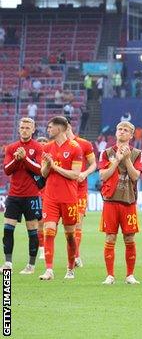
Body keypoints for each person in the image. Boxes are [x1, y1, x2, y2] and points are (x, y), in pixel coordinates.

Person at [98, 121, 142, 285]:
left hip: (128, 201)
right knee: (110, 238)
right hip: (110, 201)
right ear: (115, 132)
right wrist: (117, 160)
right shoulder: (106, 153)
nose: (122, 132)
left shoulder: (137, 153)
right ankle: (110, 275)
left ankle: (130, 275)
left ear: (131, 135)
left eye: (126, 130)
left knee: (129, 238)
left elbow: (135, 176)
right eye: (119, 129)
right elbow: (103, 176)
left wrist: (127, 159)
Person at [39, 116, 83, 280]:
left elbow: (75, 174)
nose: (48, 129)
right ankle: (49, 270)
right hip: (50, 197)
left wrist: (54, 166)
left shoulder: (75, 148)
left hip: (69, 198)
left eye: (51, 127)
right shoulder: (47, 148)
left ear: (60, 128)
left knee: (70, 235)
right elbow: (43, 174)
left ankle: (70, 268)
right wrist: (48, 165)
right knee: (48, 231)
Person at [2, 118, 44, 274]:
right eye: (22, 127)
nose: (25, 130)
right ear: (19, 129)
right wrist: (16, 158)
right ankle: (8, 263)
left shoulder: (38, 147)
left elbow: (40, 170)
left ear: (33, 130)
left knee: (32, 231)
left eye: (28, 127)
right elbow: (7, 170)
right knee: (7, 230)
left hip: (31, 196)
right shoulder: (11, 148)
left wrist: (25, 158)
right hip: (14, 196)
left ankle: (31, 266)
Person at [65, 120, 96, 268]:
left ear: (68, 126)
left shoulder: (84, 144)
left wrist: (85, 173)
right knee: (65, 227)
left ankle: (76, 256)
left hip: (79, 191)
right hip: (63, 190)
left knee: (77, 224)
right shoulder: (56, 146)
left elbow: (94, 164)